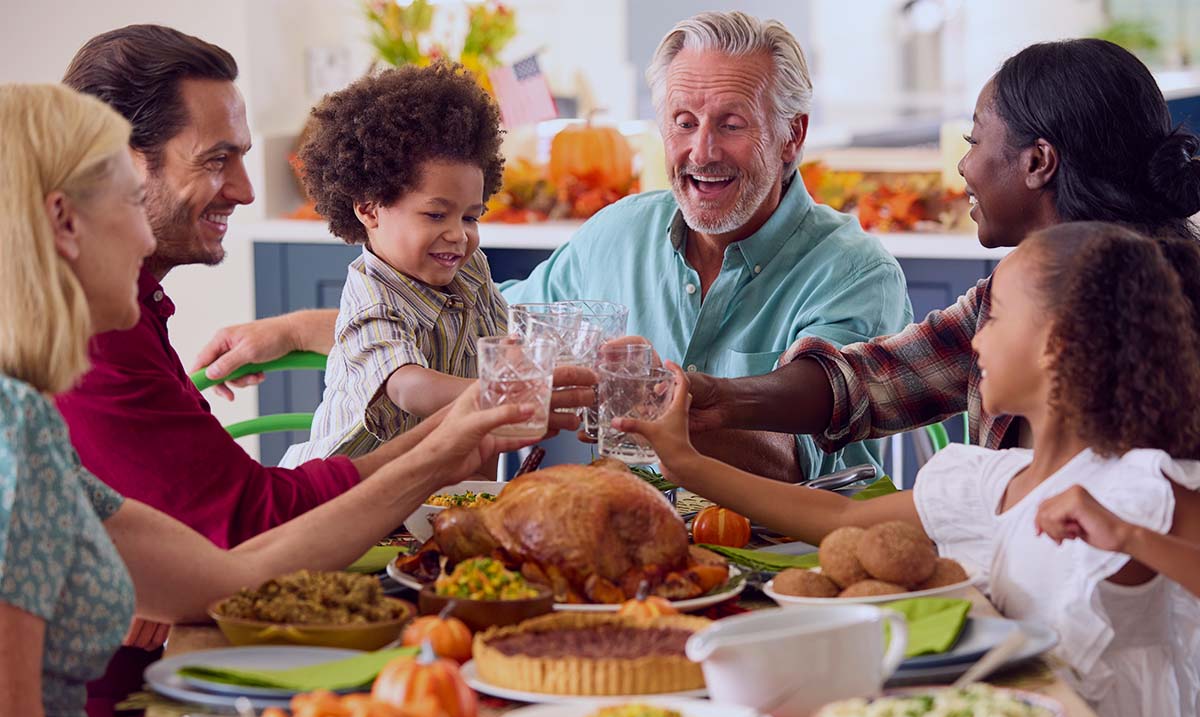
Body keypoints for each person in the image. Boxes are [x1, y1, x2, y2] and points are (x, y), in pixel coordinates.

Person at [52, 24, 591, 717]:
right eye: (218, 159)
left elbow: (183, 550)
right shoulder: (89, 336)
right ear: (113, 167)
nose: (246, 186)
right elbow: (242, 538)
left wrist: (454, 440)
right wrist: (442, 449)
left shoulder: (123, 310)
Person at [194, 11, 913, 484]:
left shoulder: (853, 273)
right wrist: (289, 330)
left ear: (792, 136)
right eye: (683, 120)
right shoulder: (619, 232)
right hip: (620, 549)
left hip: (789, 570)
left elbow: (815, 464)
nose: (700, 150)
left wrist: (647, 408)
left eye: (732, 124)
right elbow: (480, 333)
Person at [618, 222, 1200, 717]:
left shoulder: (1137, 486)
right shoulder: (986, 482)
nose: (975, 341)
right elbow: (837, 520)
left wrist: (1131, 536)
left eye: (992, 317)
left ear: (1057, 345)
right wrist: (686, 463)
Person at [682, 37, 1200, 456]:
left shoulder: (1143, 317)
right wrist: (719, 398)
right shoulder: (1018, 290)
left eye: (974, 142)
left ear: (1038, 162)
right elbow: (874, 381)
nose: (963, 167)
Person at [280, 62, 508, 465]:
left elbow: (505, 348)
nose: (459, 234)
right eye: (436, 215)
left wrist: (557, 366)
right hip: (341, 495)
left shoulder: (470, 270)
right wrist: (509, 396)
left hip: (426, 484)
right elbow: (408, 388)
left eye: (471, 217)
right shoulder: (370, 299)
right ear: (370, 209)